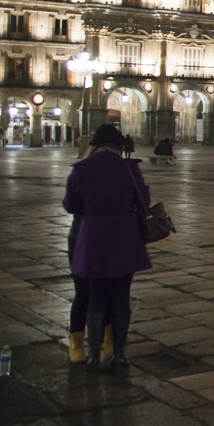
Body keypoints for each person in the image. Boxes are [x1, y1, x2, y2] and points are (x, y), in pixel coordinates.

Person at [62, 124, 152, 369]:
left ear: (96, 145)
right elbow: (144, 201)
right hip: (124, 239)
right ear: (119, 146)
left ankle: (91, 354)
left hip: (93, 240)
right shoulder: (130, 169)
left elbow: (71, 205)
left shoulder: (81, 169)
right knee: (121, 298)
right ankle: (119, 353)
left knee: (95, 297)